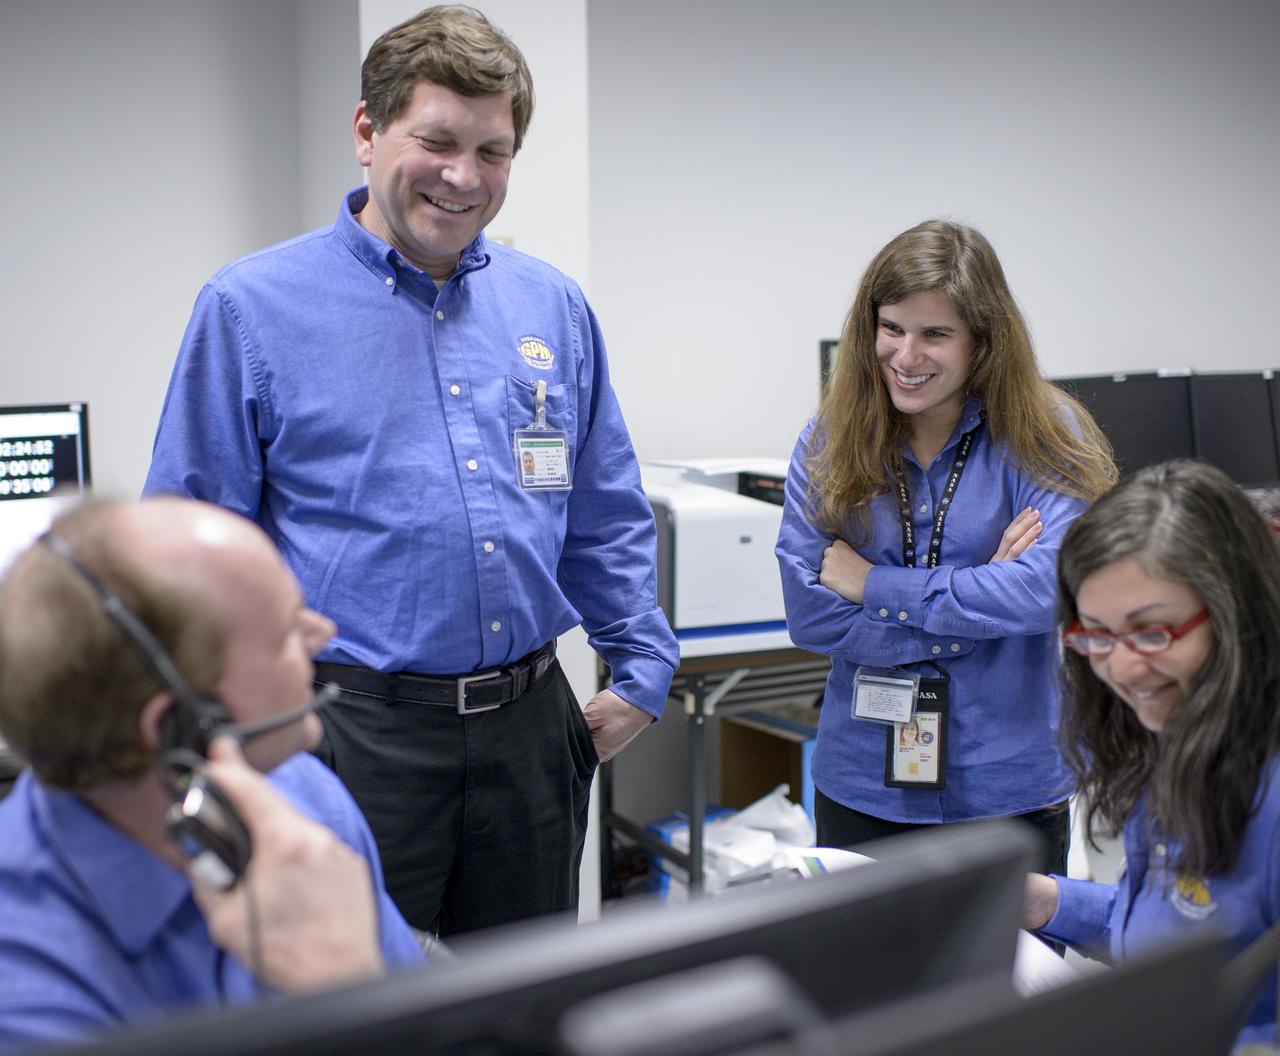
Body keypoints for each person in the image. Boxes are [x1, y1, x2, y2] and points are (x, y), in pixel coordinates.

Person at [142, 4, 677, 937]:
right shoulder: (251, 309)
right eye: (436, 141)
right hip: (349, 736)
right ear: (366, 131)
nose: (463, 178)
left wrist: (641, 669)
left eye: (494, 152)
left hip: (530, 733)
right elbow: (190, 549)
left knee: (523, 1008)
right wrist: (223, 740)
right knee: (352, 1011)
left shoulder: (550, 305)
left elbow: (602, 506)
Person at [0, 498, 424, 1052]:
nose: (323, 632)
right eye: (285, 635)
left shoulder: (300, 793)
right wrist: (341, 991)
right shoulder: (26, 988)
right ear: (182, 725)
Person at [775, 219, 1114, 874]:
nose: (906, 356)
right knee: (867, 979)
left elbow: (1048, 593)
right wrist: (981, 596)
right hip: (861, 785)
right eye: (893, 328)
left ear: (982, 342)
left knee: (1009, 979)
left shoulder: (1046, 435)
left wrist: (875, 586)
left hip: (1006, 791)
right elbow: (809, 614)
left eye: (936, 335)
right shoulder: (827, 440)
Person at [1025, 460, 1280, 1047]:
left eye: (1152, 633)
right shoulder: (1179, 737)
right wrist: (1051, 904)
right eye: (1095, 635)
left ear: (1236, 617)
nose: (1121, 667)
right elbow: (1179, 927)